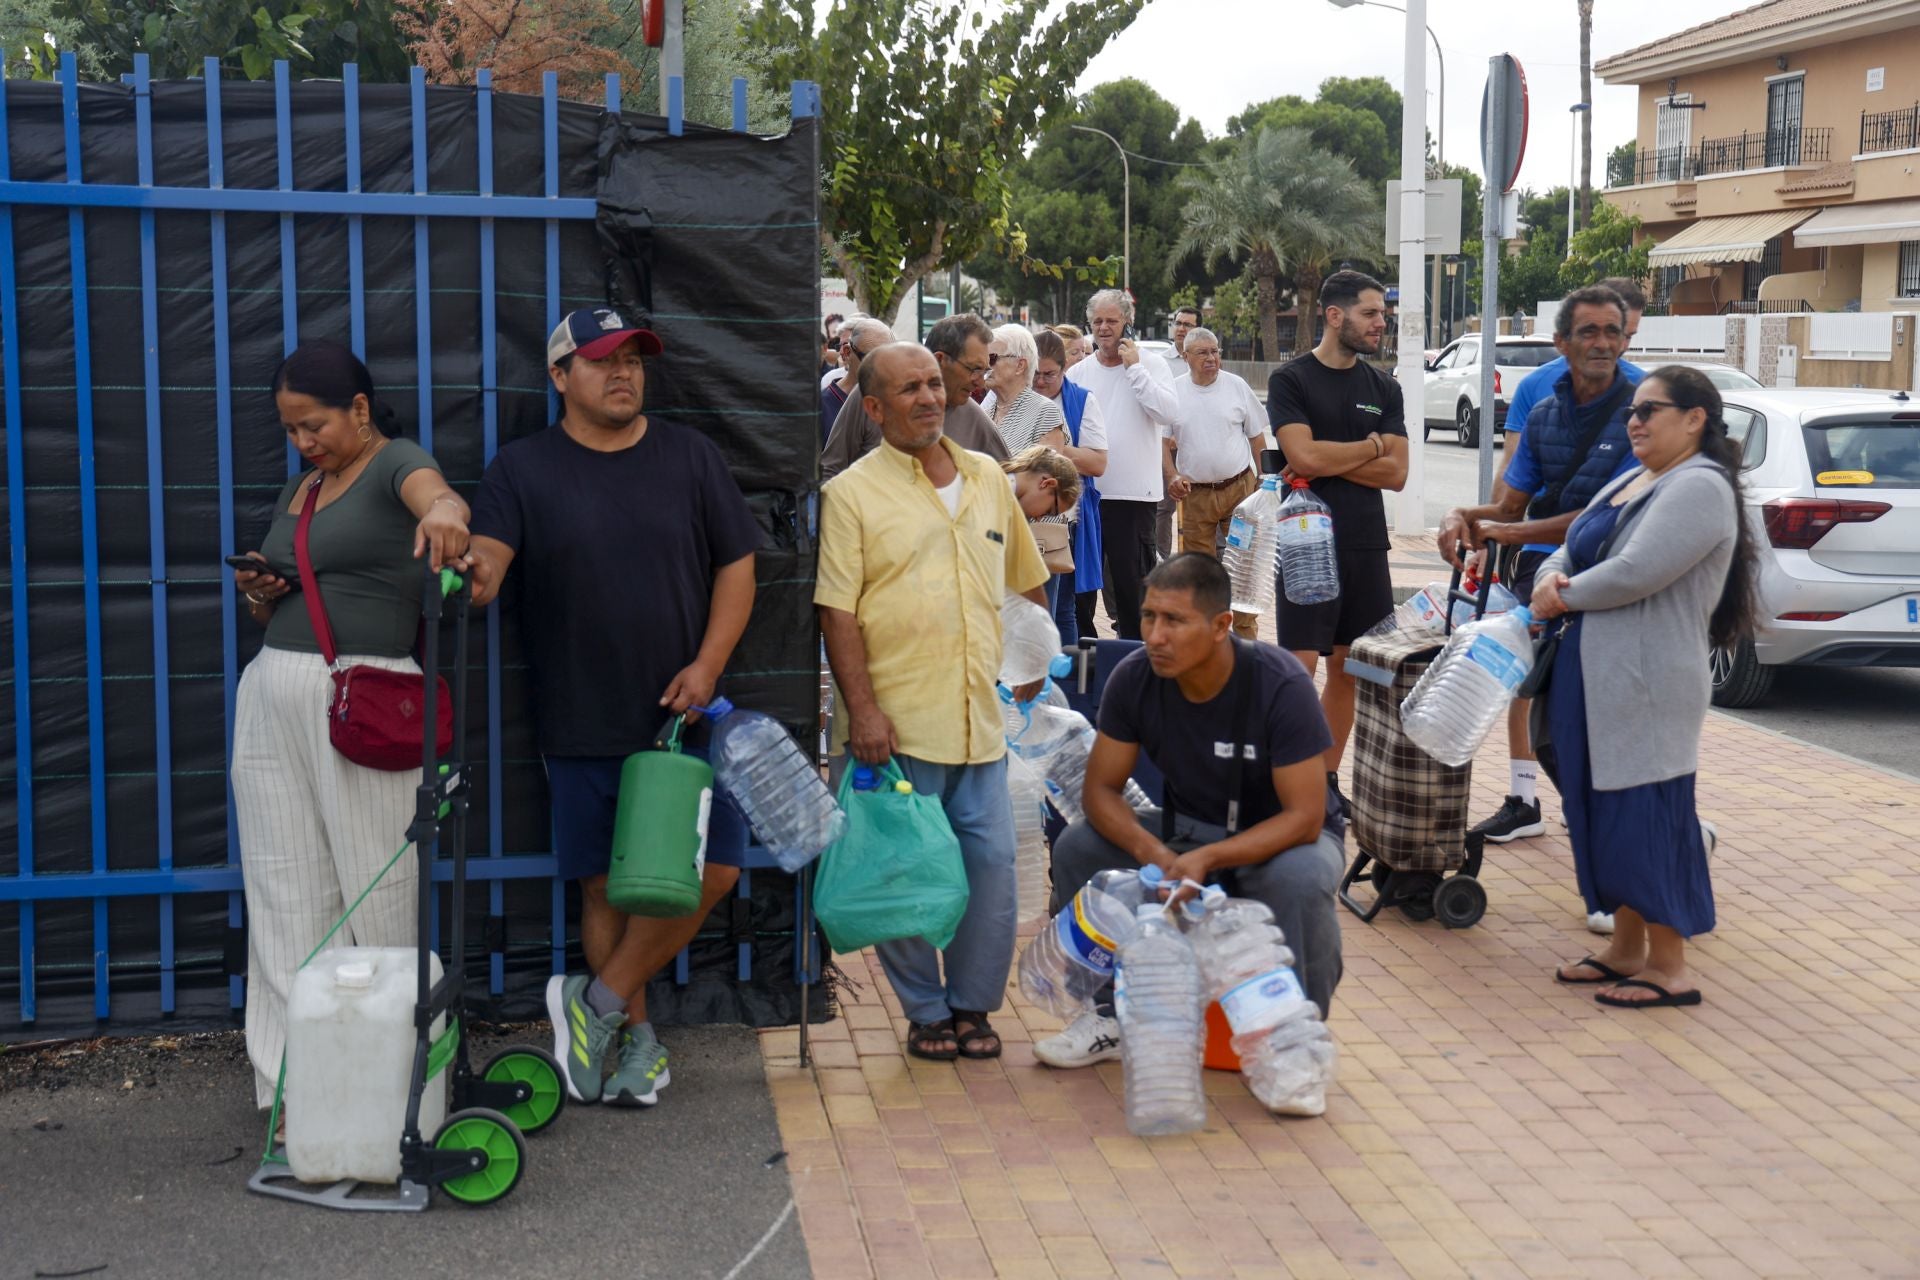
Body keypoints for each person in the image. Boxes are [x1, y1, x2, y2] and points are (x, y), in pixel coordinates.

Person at [464, 309, 762, 1108]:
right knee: (607, 888)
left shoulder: (690, 456)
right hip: (580, 711)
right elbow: (487, 565)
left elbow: (738, 565)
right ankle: (637, 1044)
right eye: (601, 361)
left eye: (633, 358)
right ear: (559, 377)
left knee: (715, 869)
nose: (623, 372)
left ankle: (594, 1001)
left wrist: (708, 665)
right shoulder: (522, 468)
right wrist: (466, 567)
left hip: (688, 714)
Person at [229, 340, 473, 1114]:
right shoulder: (302, 488)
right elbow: (274, 606)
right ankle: (295, 1093)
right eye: (290, 428)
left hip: (362, 697)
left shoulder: (396, 460)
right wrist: (260, 591)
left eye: (315, 424)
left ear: (360, 410)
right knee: (284, 894)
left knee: (382, 896)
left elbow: (440, 497)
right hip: (272, 694)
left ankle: (405, 1096)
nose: (303, 441)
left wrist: (444, 512)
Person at [816, 343, 1051, 1061]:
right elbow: (837, 612)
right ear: (874, 408)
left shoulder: (986, 478)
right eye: (907, 389)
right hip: (896, 726)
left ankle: (973, 1005)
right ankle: (925, 1011)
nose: (927, 398)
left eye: (932, 384)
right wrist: (863, 711)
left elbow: (1024, 580)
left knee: (991, 870)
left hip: (981, 719)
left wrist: (1039, 660)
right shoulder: (850, 494)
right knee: (906, 873)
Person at [1036, 553, 1346, 1068]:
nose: (1156, 636)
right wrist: (1154, 853)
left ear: (1222, 625)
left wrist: (1208, 859)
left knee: (1301, 879)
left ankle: (1297, 1045)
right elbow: (1100, 792)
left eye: (1174, 620)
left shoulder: (1278, 681)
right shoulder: (1136, 677)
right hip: (1184, 828)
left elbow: (1305, 816)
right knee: (1080, 847)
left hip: (1282, 838)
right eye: (1149, 616)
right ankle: (1107, 1016)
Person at [1541, 366, 1756, 1009]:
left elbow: (1636, 571)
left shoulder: (1700, 487)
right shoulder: (1639, 477)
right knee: (1604, 811)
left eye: (1648, 410)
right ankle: (1625, 949)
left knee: (1648, 814)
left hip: (1647, 685)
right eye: (1631, 412)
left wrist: (1560, 596)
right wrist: (1552, 578)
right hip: (1595, 674)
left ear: (1694, 419)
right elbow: (1572, 543)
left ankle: (1669, 969)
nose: (1633, 422)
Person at [1438, 287, 1643, 908]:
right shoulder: (1546, 412)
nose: (1603, 343)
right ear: (1562, 343)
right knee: (1550, 725)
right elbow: (1509, 505)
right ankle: (1631, 843)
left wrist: (1504, 533)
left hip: (1619, 591)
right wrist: (1462, 516)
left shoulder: (1643, 409)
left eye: (1613, 332)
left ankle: (1645, 850)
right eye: (1589, 332)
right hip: (1552, 587)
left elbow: (1608, 514)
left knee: (1604, 732)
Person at [1266, 271, 1408, 815]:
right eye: (1370, 313)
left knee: (1352, 669)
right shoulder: (1291, 380)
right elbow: (1301, 457)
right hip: (1305, 542)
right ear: (1334, 315)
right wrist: (1370, 447)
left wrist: (1330, 460)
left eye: (1382, 315)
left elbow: (1397, 474)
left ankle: (1324, 785)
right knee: (1298, 668)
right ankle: (1284, 784)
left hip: (1365, 543)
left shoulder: (1384, 388)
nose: (1380, 323)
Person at [1068, 289, 1180, 640]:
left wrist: (1135, 369)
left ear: (1127, 322)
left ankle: (1137, 657)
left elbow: (1168, 413)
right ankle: (1086, 659)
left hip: (1133, 497)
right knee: (1080, 594)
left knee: (1133, 592)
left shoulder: (1151, 365)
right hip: (1086, 497)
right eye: (1097, 321)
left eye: (1112, 321)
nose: (1103, 328)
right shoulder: (1079, 372)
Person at [1164, 326, 1270, 639]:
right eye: (1203, 353)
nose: (1211, 358)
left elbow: (1257, 437)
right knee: (1199, 571)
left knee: (1244, 567)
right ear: (1186, 357)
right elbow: (1161, 443)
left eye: (1215, 351)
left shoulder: (1236, 386)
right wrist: (1172, 475)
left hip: (1240, 491)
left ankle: (1246, 637)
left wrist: (1264, 479)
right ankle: (1206, 637)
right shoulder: (1173, 392)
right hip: (1195, 495)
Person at [820, 313, 1009, 481]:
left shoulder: (975, 421)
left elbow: (1009, 483)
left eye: (984, 371)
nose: (980, 383)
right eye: (974, 369)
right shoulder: (872, 391)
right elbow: (830, 470)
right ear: (940, 360)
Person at [1034, 328, 1107, 647]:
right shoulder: (1010, 397)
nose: (1040, 382)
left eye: (1049, 374)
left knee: (1062, 607)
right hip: (1024, 515)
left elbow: (1098, 463)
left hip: (1063, 519)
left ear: (1064, 369)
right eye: (1035, 374)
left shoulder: (1082, 400)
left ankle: (1062, 672)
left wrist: (1055, 448)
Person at [1156, 306, 1202, 559]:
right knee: (1163, 509)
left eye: (1188, 324)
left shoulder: (1207, 359)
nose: (1182, 328)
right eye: (1179, 323)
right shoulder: (1160, 362)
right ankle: (1162, 561)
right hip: (1168, 447)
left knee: (1201, 506)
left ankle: (1201, 562)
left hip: (1197, 447)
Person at [982, 323, 1069, 456]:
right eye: (983, 358)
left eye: (992, 358)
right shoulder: (986, 412)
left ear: (1020, 366)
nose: (985, 365)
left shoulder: (1046, 413)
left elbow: (1047, 468)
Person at [820, 317, 889, 448]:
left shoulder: (895, 401)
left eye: (890, 359)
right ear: (847, 352)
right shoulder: (822, 407)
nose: (883, 367)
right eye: (872, 358)